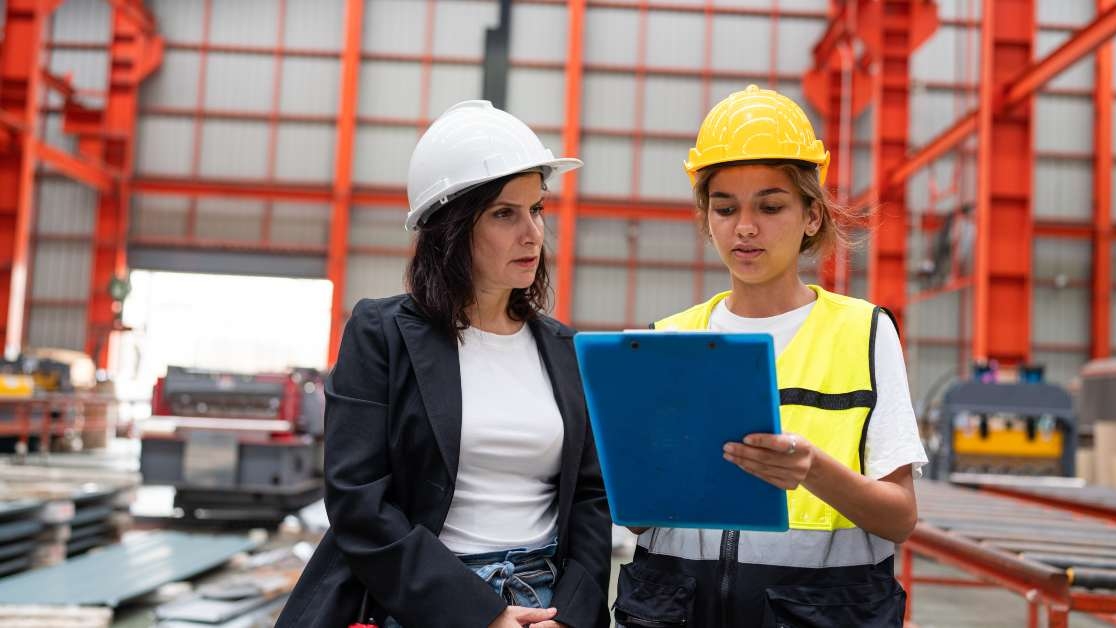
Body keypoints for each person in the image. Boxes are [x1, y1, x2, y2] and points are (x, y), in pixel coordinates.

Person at [278, 100, 611, 628]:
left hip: (543, 601)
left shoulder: (566, 349)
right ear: (451, 229)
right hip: (426, 601)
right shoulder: (381, 336)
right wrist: (483, 614)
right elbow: (357, 503)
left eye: (537, 210)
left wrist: (568, 615)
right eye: (506, 214)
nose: (532, 234)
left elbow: (592, 497)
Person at [613, 85, 927, 627]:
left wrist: (814, 471)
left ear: (811, 215)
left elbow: (899, 518)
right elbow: (639, 525)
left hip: (817, 614)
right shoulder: (668, 338)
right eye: (726, 207)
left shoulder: (863, 332)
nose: (746, 227)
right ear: (706, 219)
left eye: (770, 205)